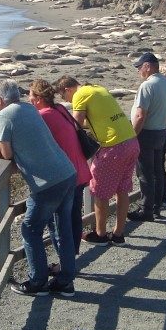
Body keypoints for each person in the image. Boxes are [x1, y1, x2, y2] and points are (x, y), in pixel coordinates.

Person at [0, 79, 77, 289]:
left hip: (48, 182)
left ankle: (37, 282)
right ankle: (66, 281)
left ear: (0, 100)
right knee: (62, 228)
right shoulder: (29, 108)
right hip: (67, 173)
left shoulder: (4, 114)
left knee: (30, 229)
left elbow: (7, 152)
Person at [55, 76, 140, 246]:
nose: (68, 101)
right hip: (131, 141)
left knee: (100, 192)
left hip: (113, 146)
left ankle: (100, 234)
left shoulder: (80, 94)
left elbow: (76, 124)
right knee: (122, 189)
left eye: (65, 98)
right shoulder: (97, 88)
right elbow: (99, 118)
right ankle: (118, 234)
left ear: (67, 90)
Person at [28, 79, 91, 258]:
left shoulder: (44, 116)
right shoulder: (61, 109)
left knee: (60, 223)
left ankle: (66, 263)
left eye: (31, 95)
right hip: (79, 170)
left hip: (65, 174)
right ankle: (73, 256)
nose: (29, 99)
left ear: (39, 98)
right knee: (74, 217)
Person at [128, 52, 166, 222]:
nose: (139, 71)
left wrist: (132, 136)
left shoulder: (147, 86)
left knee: (145, 173)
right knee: (157, 170)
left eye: (140, 67)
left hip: (147, 133)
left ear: (148, 66)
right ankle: (156, 206)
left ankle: (145, 209)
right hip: (161, 131)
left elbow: (141, 115)